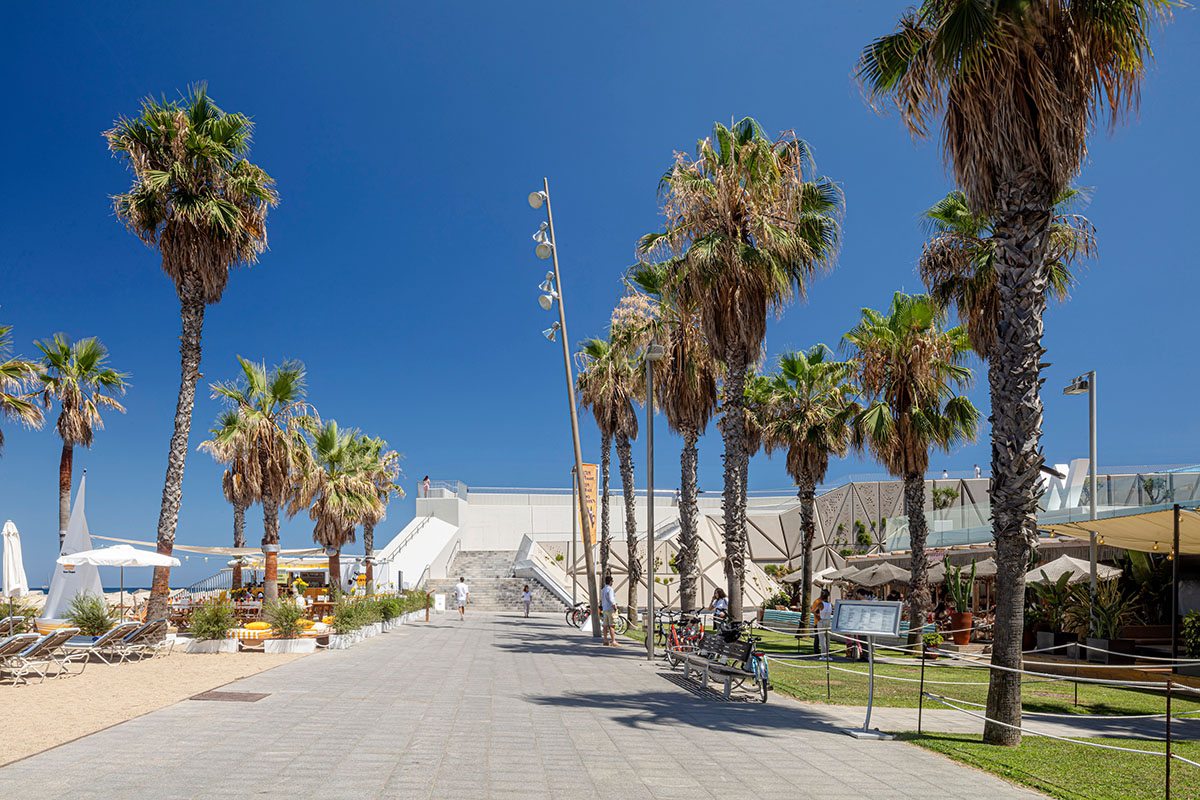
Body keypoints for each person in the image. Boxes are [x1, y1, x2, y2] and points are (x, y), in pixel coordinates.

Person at [600, 575, 619, 646]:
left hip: (605, 608)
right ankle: (613, 641)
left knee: (605, 625)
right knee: (612, 625)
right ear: (610, 582)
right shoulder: (610, 589)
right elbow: (611, 599)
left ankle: (605, 640)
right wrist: (614, 606)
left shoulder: (603, 590)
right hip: (610, 609)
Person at [817, 590, 833, 660]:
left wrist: (818, 617)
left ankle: (823, 654)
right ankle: (827, 654)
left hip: (821, 621)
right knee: (828, 639)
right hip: (828, 621)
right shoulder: (830, 604)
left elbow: (813, 611)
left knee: (822, 638)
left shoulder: (820, 604)